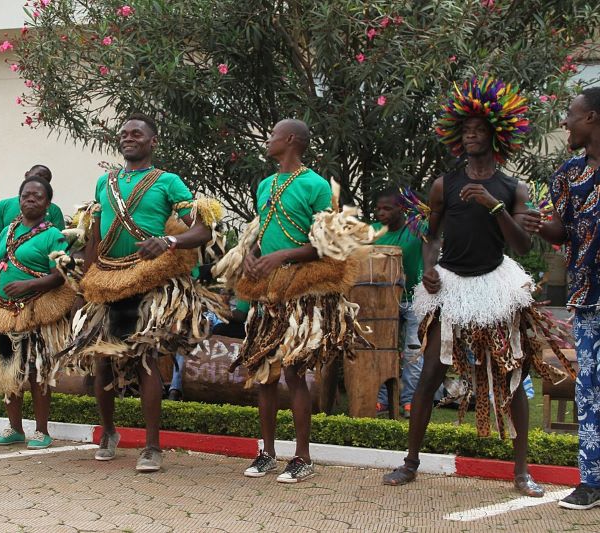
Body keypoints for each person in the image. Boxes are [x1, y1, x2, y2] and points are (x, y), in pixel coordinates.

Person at [381, 77, 574, 496]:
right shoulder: (443, 185)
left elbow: (522, 243)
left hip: (495, 285)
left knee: (511, 373)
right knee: (432, 370)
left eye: (478, 130)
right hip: (450, 285)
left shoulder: (511, 187)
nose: (471, 136)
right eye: (465, 131)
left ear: (494, 135)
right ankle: (410, 462)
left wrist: (495, 206)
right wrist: (428, 269)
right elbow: (431, 236)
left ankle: (521, 472)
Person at [62, 113, 225, 472]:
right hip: (107, 280)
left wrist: (169, 241)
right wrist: (86, 282)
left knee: (148, 360)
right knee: (103, 360)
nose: (127, 137)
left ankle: (152, 447)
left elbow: (202, 231)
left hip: (149, 281)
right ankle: (108, 433)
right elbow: (96, 234)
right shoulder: (104, 183)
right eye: (123, 133)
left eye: (136, 133)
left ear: (153, 142)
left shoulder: (168, 182)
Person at [214, 119, 376, 483]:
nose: (267, 141)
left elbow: (327, 243)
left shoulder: (316, 185)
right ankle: (267, 453)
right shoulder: (266, 184)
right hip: (266, 292)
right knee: (264, 374)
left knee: (293, 371)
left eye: (272, 135)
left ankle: (302, 457)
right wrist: (253, 254)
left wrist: (283, 255)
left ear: (290, 141)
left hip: (301, 293)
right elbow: (262, 228)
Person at [527, 86, 600, 510]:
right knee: (589, 390)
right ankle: (590, 482)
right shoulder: (568, 176)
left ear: (591, 118)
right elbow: (564, 232)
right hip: (589, 298)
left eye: (570, 114)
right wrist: (540, 225)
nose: (565, 122)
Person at [0, 176, 75, 450]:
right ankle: (15, 428)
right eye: (26, 195)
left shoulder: (53, 236)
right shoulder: (8, 231)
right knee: (8, 369)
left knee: (36, 371)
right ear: (19, 200)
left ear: (47, 204)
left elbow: (60, 275)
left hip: (37, 311)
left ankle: (41, 431)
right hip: (6, 312)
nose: (30, 199)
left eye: (37, 196)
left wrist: (30, 284)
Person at [373, 188, 425, 418]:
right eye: (378, 209)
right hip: (385, 301)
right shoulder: (374, 232)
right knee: (383, 350)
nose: (381, 213)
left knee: (413, 351)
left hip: (415, 299)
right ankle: (382, 400)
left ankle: (409, 401)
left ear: (401, 209)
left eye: (387, 208)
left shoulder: (418, 228)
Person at [0, 165, 66, 245]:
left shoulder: (54, 210)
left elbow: (60, 242)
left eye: (46, 179)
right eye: (38, 175)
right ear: (26, 175)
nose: (40, 180)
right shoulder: (2, 206)